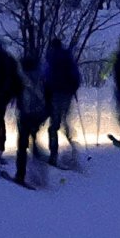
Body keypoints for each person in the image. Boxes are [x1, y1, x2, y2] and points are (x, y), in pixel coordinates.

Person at [40, 36, 82, 166]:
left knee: (54, 126)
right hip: (67, 94)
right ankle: (72, 144)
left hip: (55, 94)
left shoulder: (51, 58)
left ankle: (54, 155)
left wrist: (45, 91)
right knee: (65, 120)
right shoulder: (68, 58)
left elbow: (45, 75)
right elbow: (77, 75)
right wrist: (73, 88)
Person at [12, 51, 48, 185]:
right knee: (33, 139)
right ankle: (40, 171)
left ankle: (20, 175)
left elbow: (16, 93)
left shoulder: (22, 78)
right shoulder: (41, 76)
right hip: (39, 115)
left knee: (22, 144)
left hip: (26, 115)